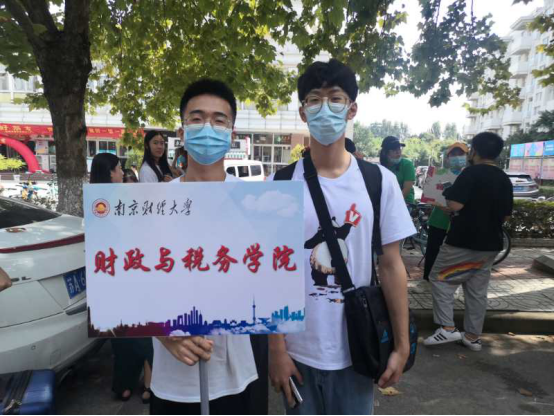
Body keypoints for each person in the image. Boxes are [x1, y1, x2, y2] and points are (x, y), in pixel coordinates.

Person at [268, 59, 416, 416]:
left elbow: (391, 265)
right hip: (297, 355)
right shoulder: (280, 183)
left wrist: (401, 345)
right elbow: (272, 270)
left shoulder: (379, 181)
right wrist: (276, 350)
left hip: (357, 350)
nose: (325, 108)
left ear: (352, 109)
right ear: (303, 112)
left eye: (335, 98)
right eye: (314, 100)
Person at [151, 79, 262, 416]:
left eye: (219, 120)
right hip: (172, 380)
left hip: (235, 376)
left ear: (232, 133)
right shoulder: (151, 204)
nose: (208, 128)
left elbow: (272, 287)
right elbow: (126, 287)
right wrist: (163, 333)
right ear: (182, 132)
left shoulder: (255, 203)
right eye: (197, 119)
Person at [424, 132, 513, 352]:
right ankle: (472, 337)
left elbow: (455, 205)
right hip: (491, 244)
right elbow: (505, 216)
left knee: (440, 278)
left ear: (474, 151)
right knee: (476, 290)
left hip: (463, 241)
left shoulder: (471, 173)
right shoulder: (504, 178)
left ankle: (447, 328)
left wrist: (452, 203)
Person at [90, 153, 154, 404]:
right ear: (110, 173)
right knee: (143, 331)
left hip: (108, 276)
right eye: (118, 169)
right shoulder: (122, 200)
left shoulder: (95, 202)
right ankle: (149, 384)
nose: (121, 173)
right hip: (130, 273)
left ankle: (124, 385)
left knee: (121, 334)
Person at [422, 143, 470, 282]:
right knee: (433, 252)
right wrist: (440, 205)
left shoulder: (470, 176)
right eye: (453, 154)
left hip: (460, 223)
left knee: (456, 255)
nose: (457, 157)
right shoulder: (438, 174)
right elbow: (430, 195)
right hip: (438, 220)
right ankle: (427, 280)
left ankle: (450, 281)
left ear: (467, 156)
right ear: (447, 158)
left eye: (460, 154)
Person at [380, 136, 416, 204]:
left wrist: (392, 204)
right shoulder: (382, 168)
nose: (398, 152)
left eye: (399, 148)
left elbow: (406, 190)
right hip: (386, 202)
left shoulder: (407, 164)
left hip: (405, 202)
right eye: (394, 149)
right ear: (385, 153)